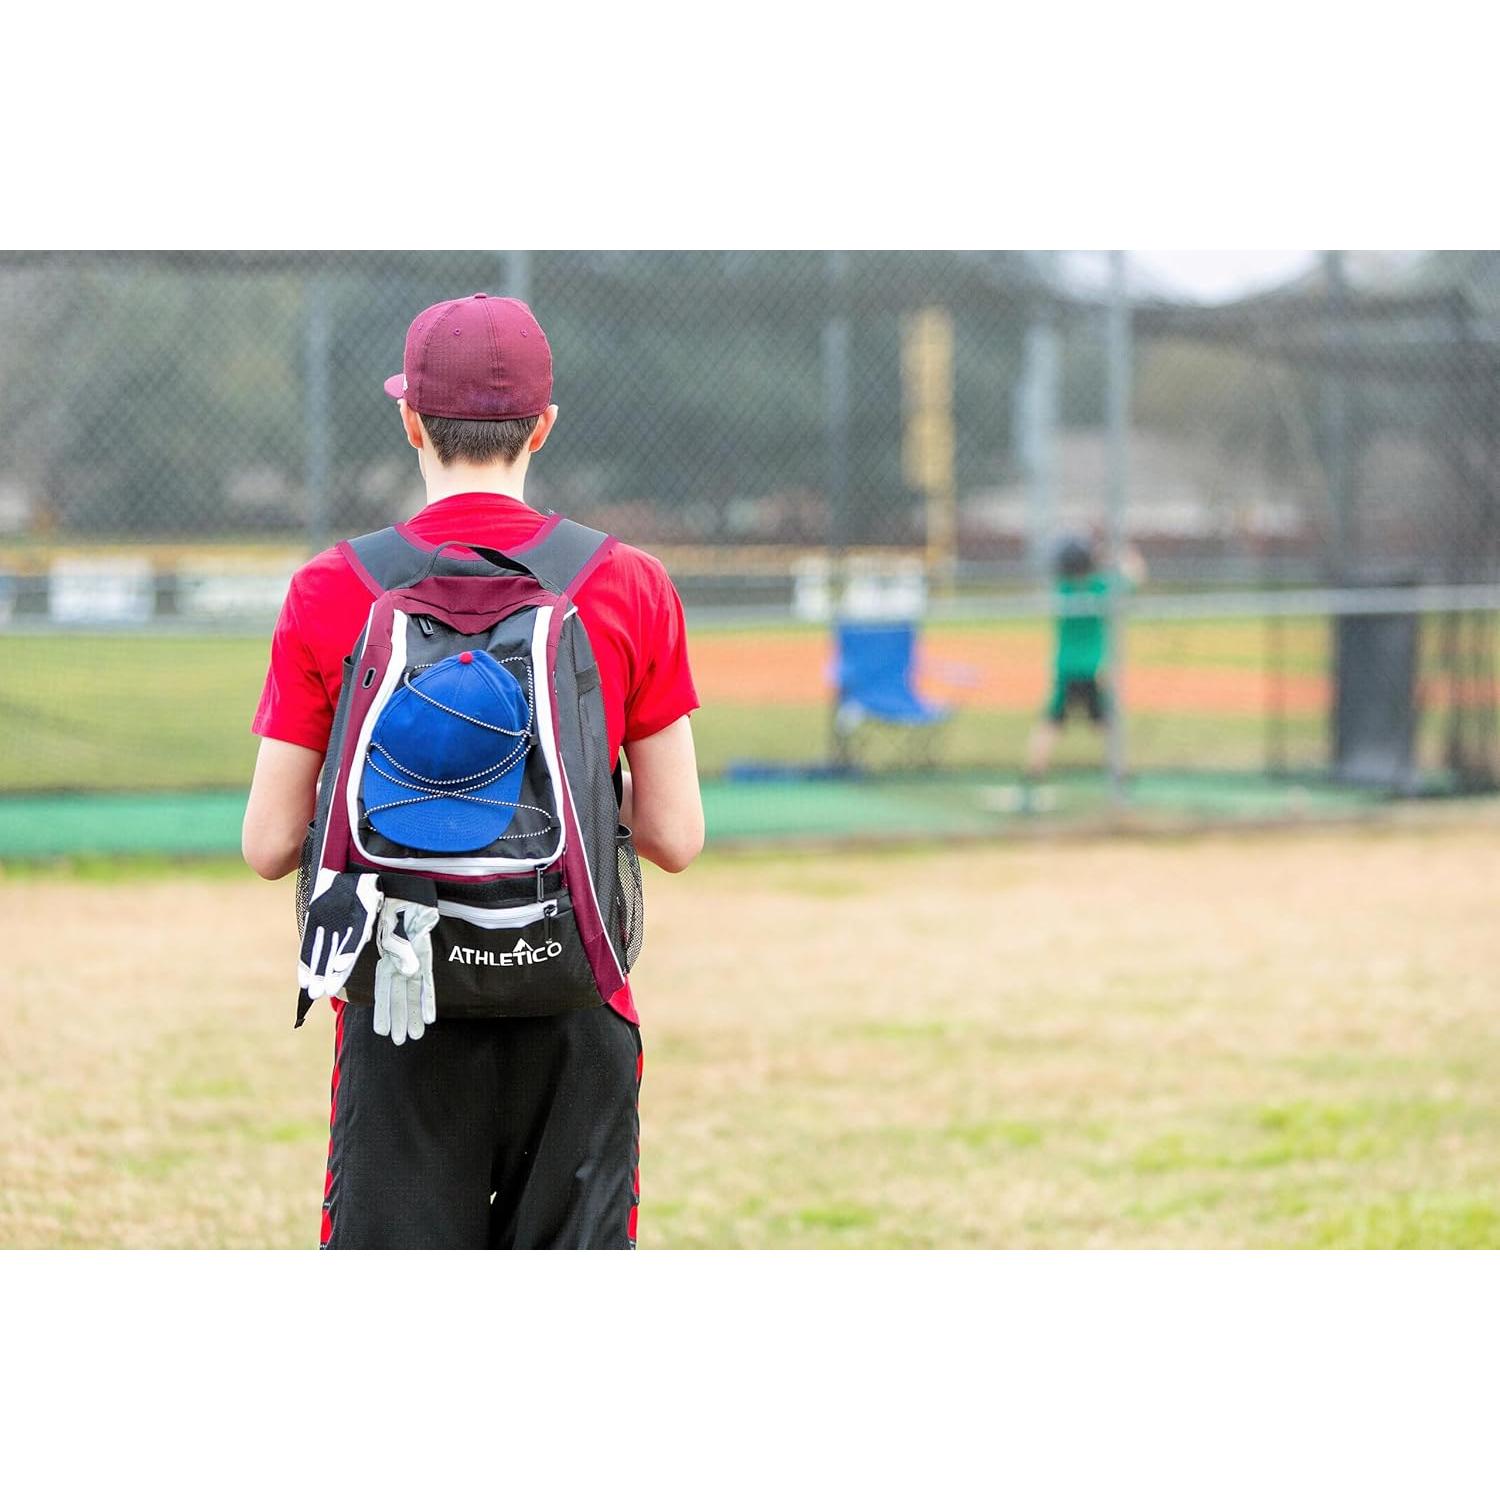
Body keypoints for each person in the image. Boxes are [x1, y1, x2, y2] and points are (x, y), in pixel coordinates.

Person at [242, 292, 704, 1249]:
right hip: (573, 998)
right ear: (543, 426)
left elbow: (269, 844)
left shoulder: (332, 588)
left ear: (410, 418)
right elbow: (674, 836)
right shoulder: (628, 583)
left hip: (398, 1003)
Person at [1024, 529, 1146, 783]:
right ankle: (1120, 771)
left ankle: (1034, 770)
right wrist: (1120, 548)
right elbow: (1136, 574)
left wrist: (1098, 555)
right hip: (1093, 668)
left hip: (1066, 668)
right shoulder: (1100, 587)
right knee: (1106, 722)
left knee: (1053, 721)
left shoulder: (1063, 590)